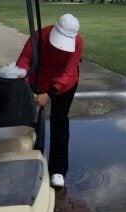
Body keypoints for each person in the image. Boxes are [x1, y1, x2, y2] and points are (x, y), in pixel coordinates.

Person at [16, 13, 82, 188]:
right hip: (37, 80)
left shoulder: (77, 41)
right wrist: (24, 84)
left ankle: (58, 170)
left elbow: (68, 72)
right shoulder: (39, 36)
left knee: (59, 121)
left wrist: (50, 93)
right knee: (29, 119)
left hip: (64, 84)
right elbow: (24, 59)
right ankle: (28, 159)